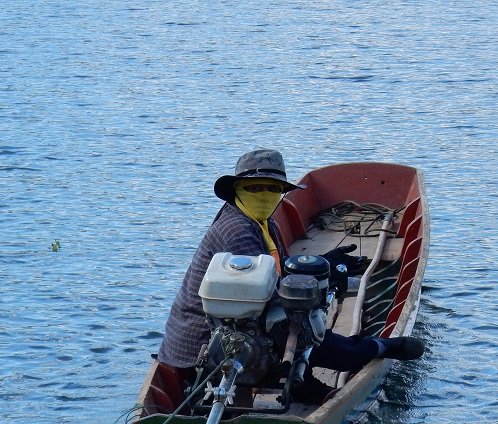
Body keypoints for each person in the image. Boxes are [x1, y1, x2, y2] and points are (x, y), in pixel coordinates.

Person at [157, 149, 423, 383]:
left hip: (238, 328)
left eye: (273, 189)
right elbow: (269, 302)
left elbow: (275, 272)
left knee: (305, 334)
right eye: (255, 188)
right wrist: (325, 275)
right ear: (237, 190)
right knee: (312, 335)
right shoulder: (238, 230)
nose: (265, 196)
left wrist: (323, 264)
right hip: (207, 344)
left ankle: (312, 384)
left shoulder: (260, 220)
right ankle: (374, 349)